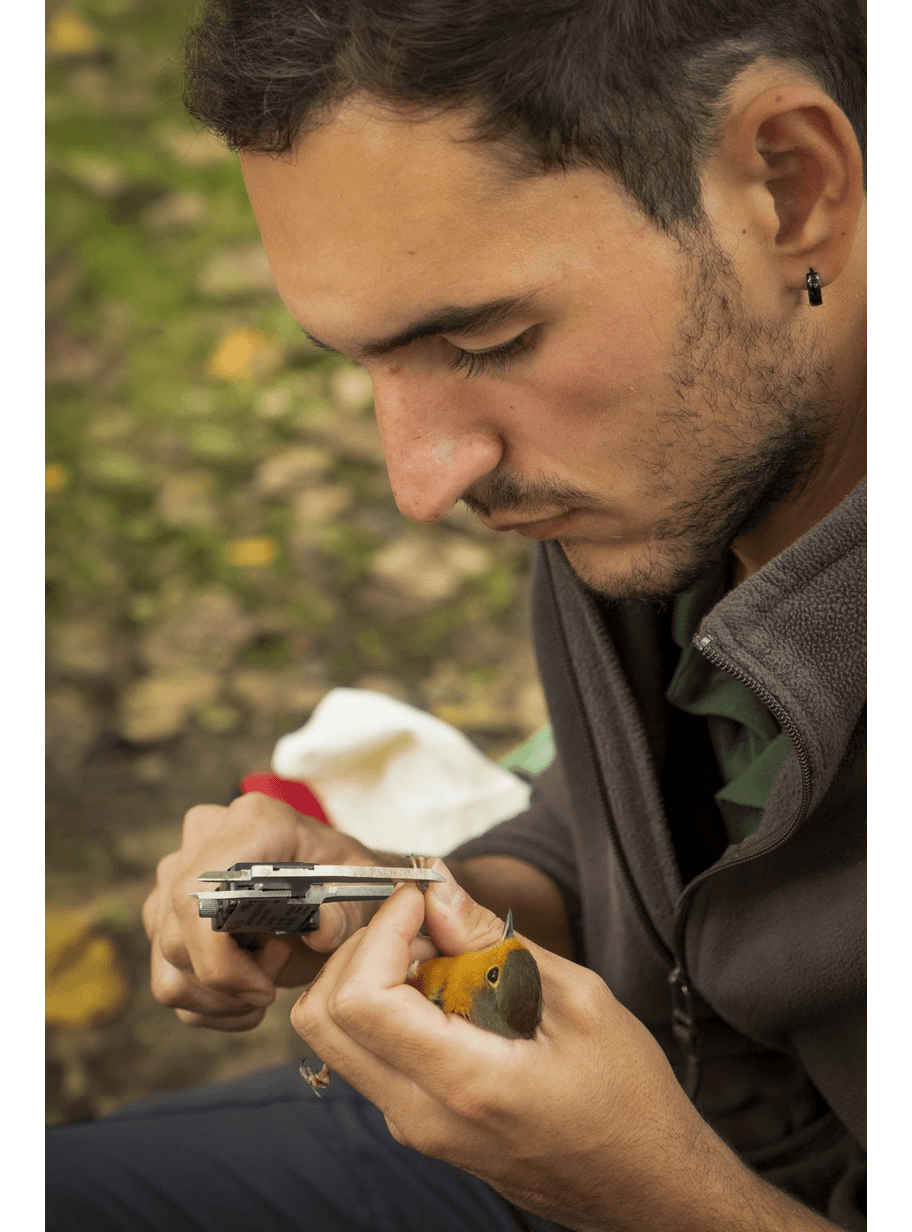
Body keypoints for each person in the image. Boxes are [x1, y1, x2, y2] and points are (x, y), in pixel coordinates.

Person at [46, 2, 866, 1229]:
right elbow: (634, 836)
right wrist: (407, 899)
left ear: (791, 184)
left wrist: (650, 1194)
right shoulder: (679, 469)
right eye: (364, 364)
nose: (422, 480)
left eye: (486, 340)